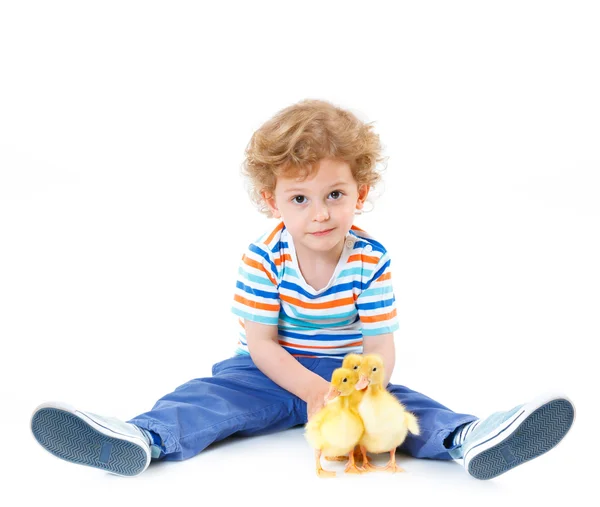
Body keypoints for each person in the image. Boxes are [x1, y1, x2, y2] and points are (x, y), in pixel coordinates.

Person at [30, 99, 575, 480]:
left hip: (344, 370)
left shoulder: (369, 257)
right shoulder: (263, 259)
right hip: (265, 373)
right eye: (300, 199)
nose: (320, 214)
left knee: (405, 409)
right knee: (204, 398)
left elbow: (380, 342)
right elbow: (262, 344)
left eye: (335, 194)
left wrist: (365, 384)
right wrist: (312, 394)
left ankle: (468, 438)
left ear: (360, 193)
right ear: (272, 200)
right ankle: (139, 439)